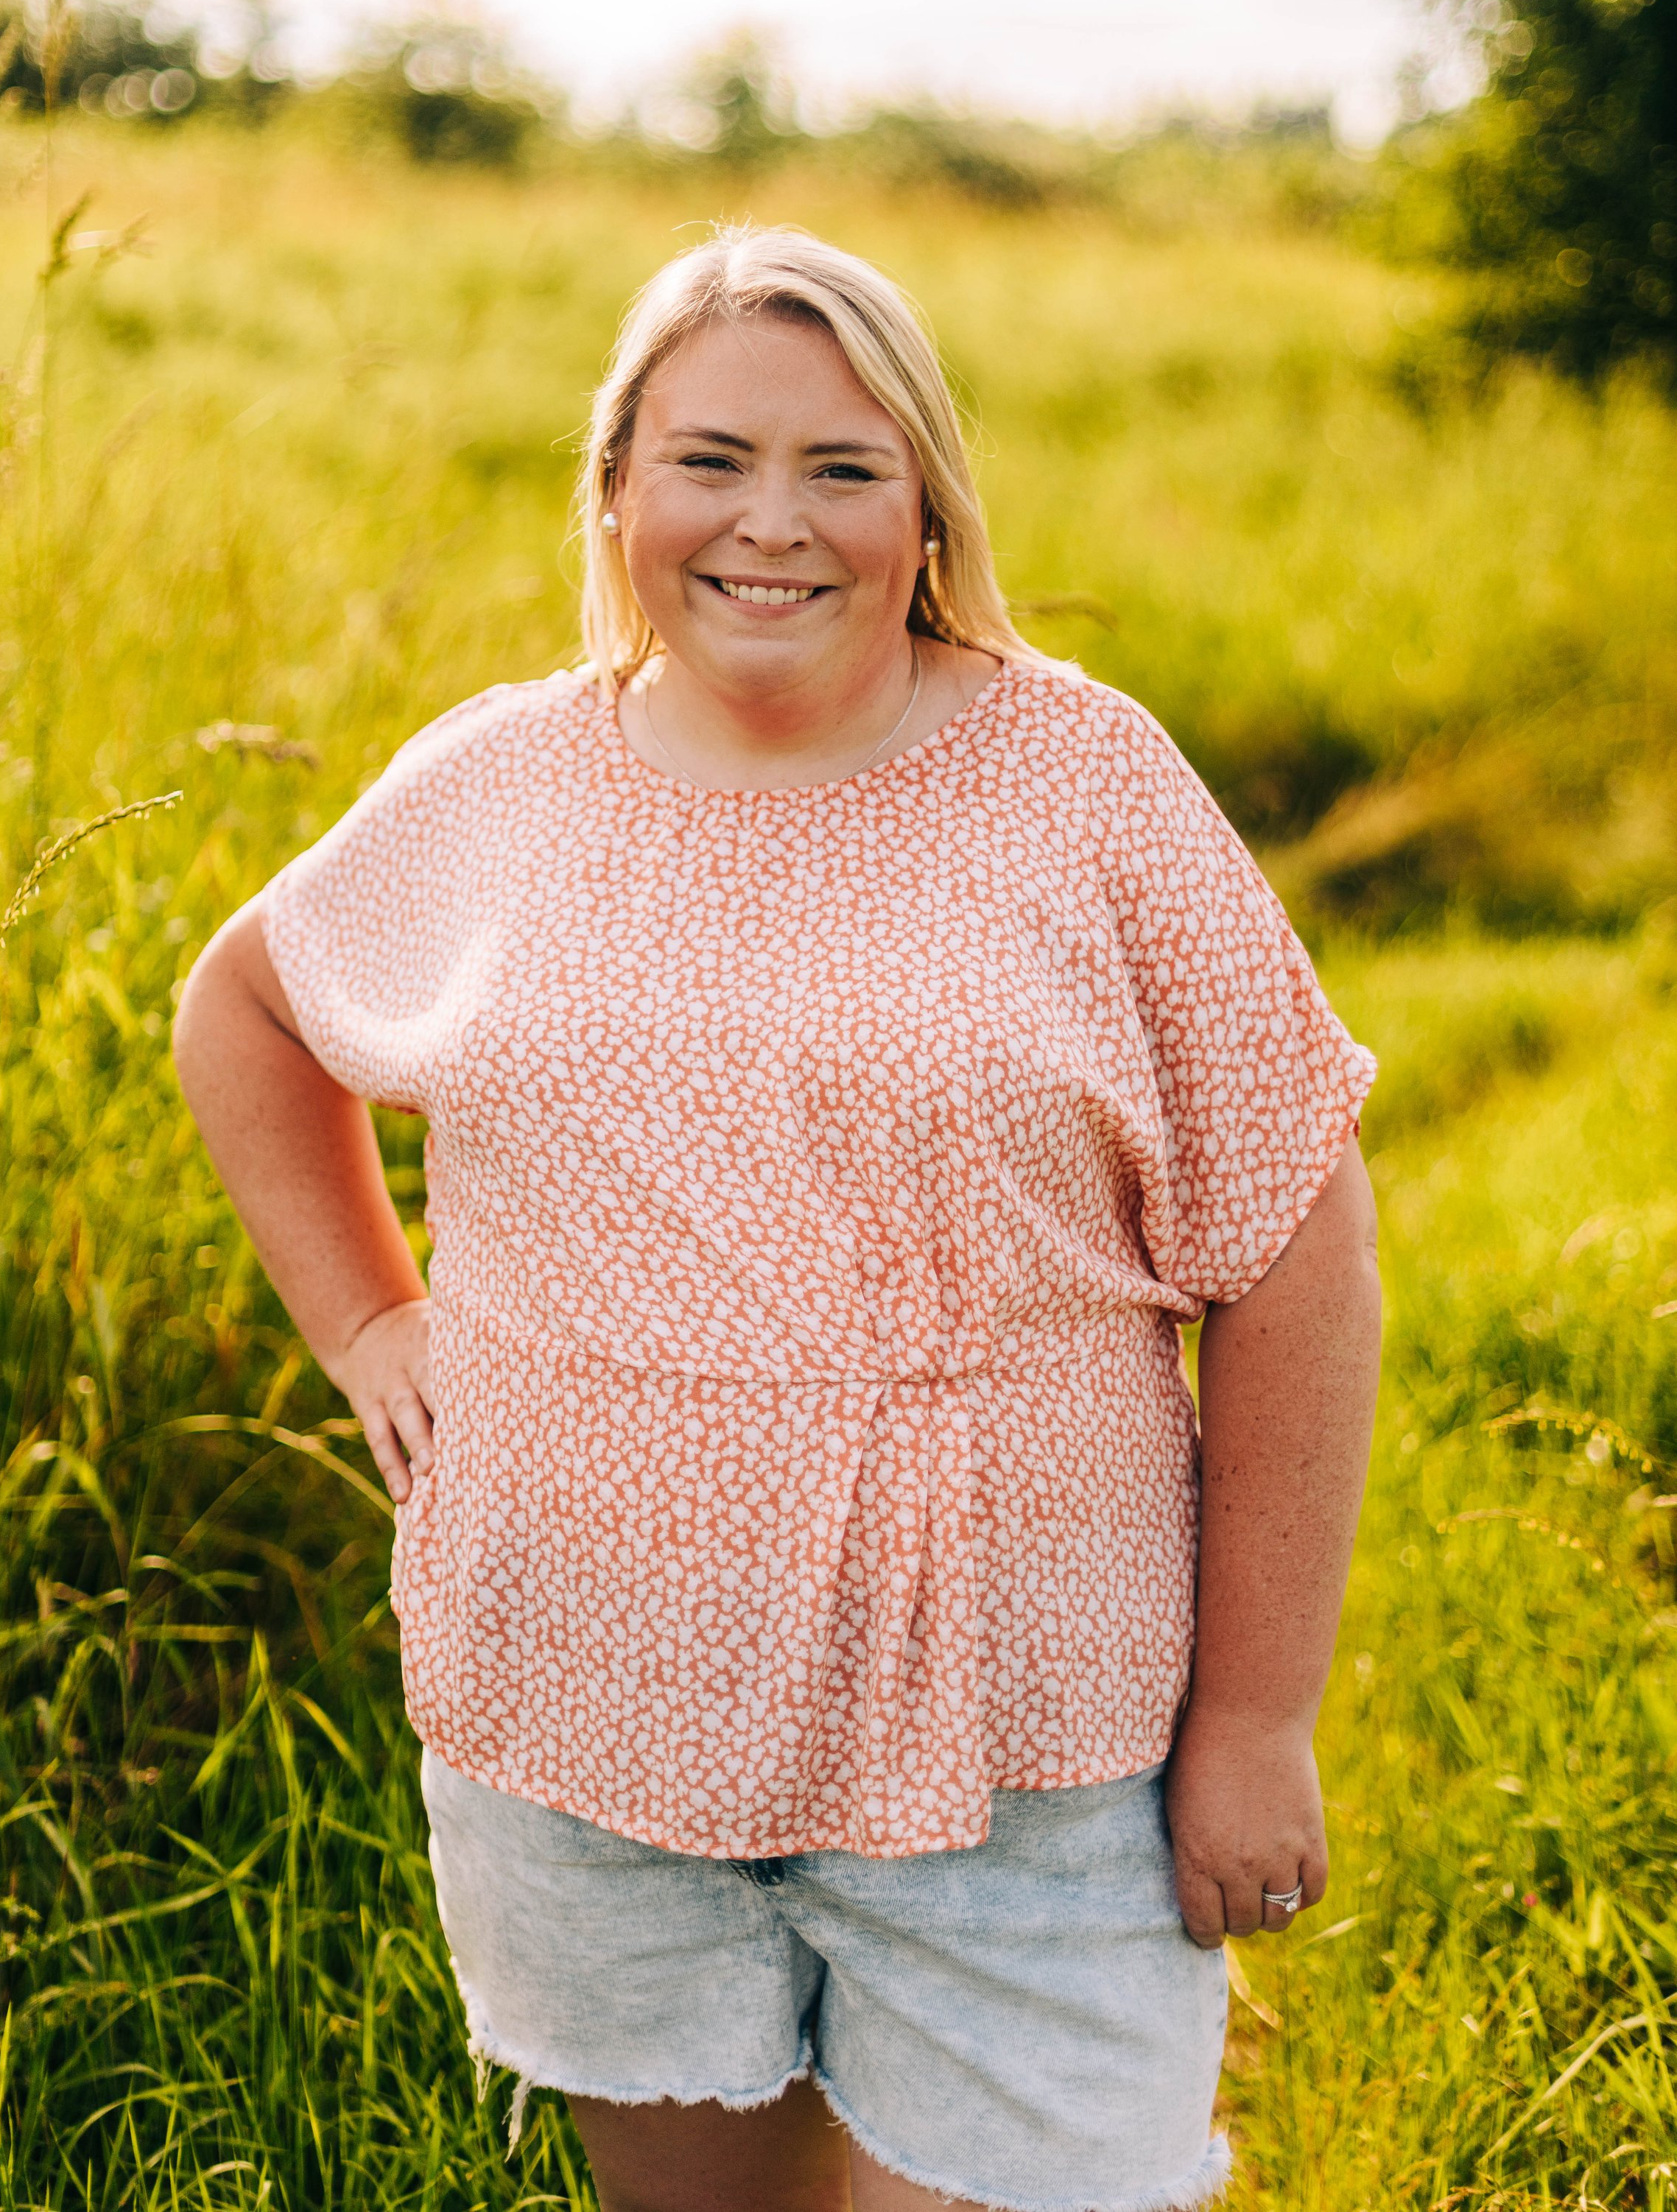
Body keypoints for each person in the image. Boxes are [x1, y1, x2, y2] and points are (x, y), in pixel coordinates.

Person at [175, 223, 1382, 2212]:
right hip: (577, 1715)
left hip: (1029, 1740)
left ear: (925, 510)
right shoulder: (502, 782)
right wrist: (369, 1323)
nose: (769, 525)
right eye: (709, 459)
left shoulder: (1079, 781)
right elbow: (246, 1005)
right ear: (618, 490)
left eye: (842, 467)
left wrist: (1253, 1716)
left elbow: (1293, 1240)